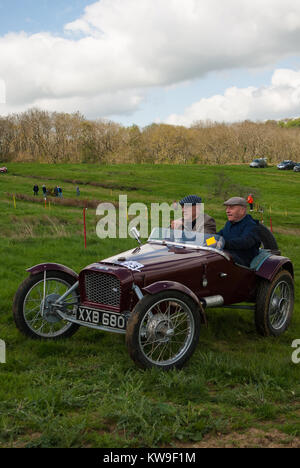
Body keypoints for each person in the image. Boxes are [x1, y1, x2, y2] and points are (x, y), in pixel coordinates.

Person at [217, 197, 260, 267]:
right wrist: (207, 241)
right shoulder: (229, 223)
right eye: (227, 208)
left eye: (231, 208)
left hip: (242, 261)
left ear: (242, 210)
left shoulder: (251, 225)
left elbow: (245, 242)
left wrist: (224, 243)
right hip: (226, 255)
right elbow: (219, 236)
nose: (227, 211)